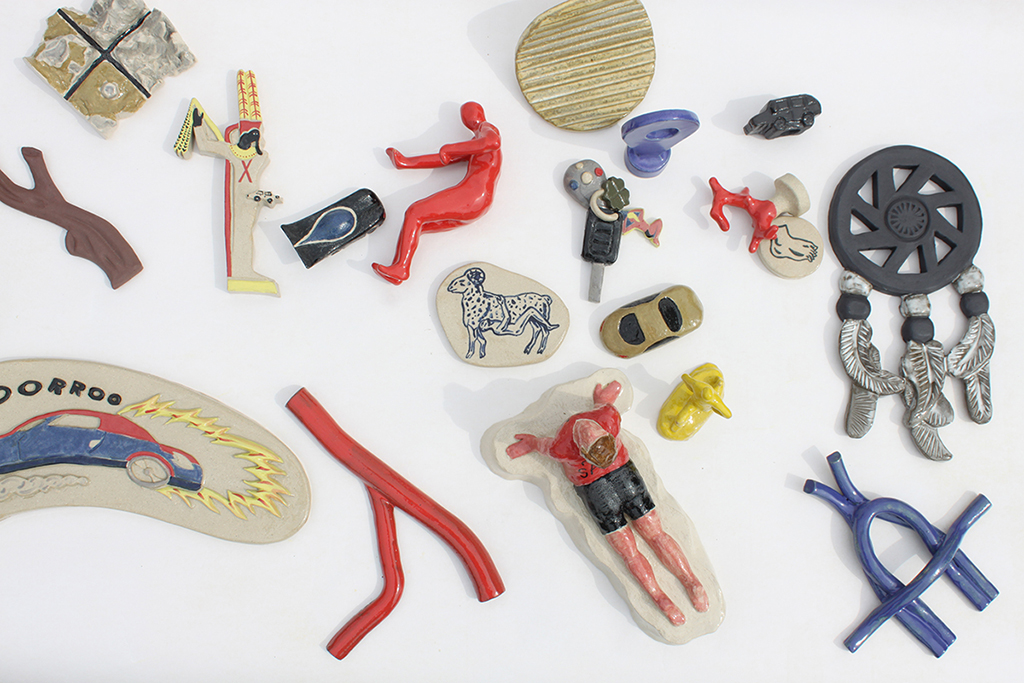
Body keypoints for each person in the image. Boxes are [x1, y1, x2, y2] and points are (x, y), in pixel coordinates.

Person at [507, 380, 709, 625]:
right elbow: (544, 446)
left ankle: (691, 581)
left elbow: (603, 407)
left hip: (624, 475)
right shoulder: (563, 447)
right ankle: (659, 597)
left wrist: (603, 399)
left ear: (608, 434)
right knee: (628, 550)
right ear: (582, 451)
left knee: (655, 533)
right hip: (594, 490)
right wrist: (530, 443)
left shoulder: (609, 418)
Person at [373, 102, 501, 285]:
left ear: (478, 113)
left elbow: (493, 142)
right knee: (417, 225)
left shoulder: (486, 130)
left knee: (415, 212)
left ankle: (401, 267)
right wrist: (407, 162)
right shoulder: (475, 144)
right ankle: (399, 269)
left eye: (468, 113)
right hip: (478, 203)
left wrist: (451, 148)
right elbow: (443, 159)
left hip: (472, 197)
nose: (466, 119)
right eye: (464, 116)